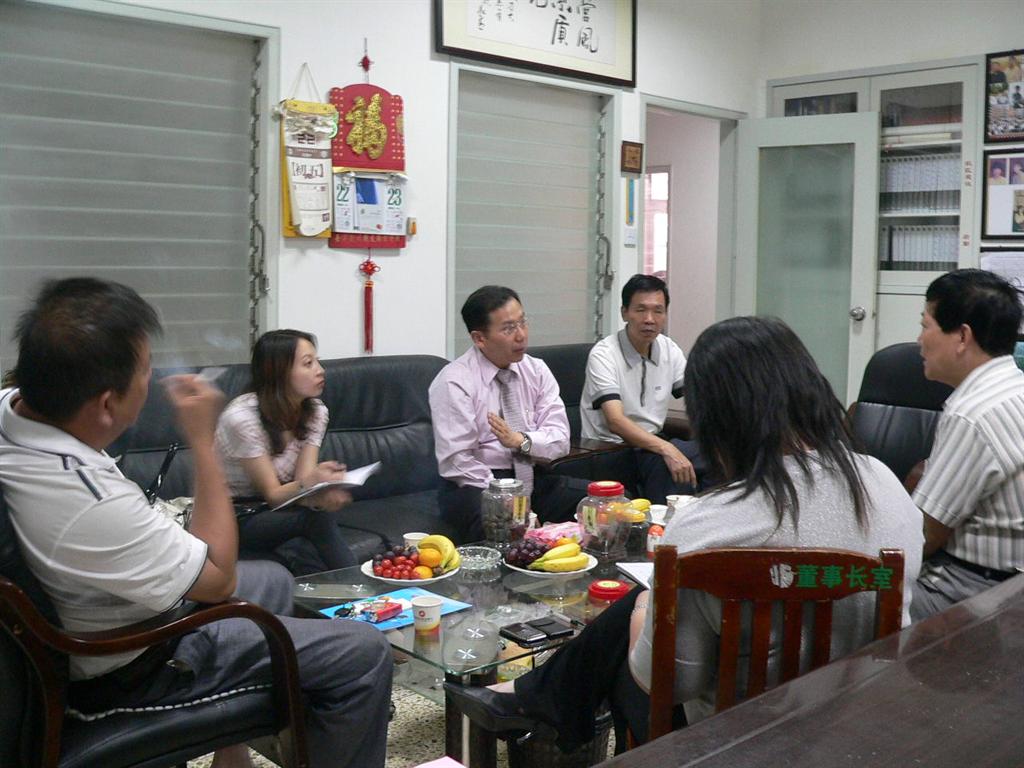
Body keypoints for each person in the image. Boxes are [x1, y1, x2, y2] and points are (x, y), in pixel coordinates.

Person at [446, 316, 923, 748]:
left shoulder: (707, 525)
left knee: (633, 627)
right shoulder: (881, 483)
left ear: (716, 418)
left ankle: (541, 704)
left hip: (732, 737)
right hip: (859, 723)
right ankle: (536, 697)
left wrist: (645, 610)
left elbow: (668, 681)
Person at [0, 278, 391, 768]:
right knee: (362, 653)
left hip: (118, 610)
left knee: (273, 579)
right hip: (135, 666)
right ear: (106, 403)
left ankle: (234, 751)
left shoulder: (14, 409)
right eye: (145, 370)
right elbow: (218, 577)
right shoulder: (89, 501)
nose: (151, 379)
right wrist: (202, 441)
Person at [911, 269, 1024, 620]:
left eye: (926, 326)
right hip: (1008, 585)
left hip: (972, 590)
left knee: (843, 601)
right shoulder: (1015, 388)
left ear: (962, 336)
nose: (919, 340)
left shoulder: (972, 413)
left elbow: (924, 535)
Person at [429, 285, 580, 542]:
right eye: (509, 329)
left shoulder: (536, 370)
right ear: (480, 338)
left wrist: (521, 440)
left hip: (531, 474)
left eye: (523, 322)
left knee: (607, 506)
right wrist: (508, 500)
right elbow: (457, 461)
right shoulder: (454, 381)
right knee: (507, 525)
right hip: (477, 485)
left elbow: (560, 440)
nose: (521, 335)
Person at [215, 329, 356, 572]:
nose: (320, 370)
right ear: (278, 371)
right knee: (316, 519)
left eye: (318, 361)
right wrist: (311, 485)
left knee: (319, 517)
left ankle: (356, 588)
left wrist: (320, 492)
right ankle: (362, 588)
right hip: (235, 515)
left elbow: (302, 482)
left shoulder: (316, 411)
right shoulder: (242, 418)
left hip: (280, 509)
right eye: (308, 364)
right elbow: (273, 494)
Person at [580, 273, 709, 504]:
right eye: (640, 310)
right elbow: (615, 421)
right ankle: (667, 525)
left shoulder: (668, 349)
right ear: (624, 313)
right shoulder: (604, 354)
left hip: (651, 443)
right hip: (612, 448)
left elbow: (699, 398)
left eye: (658, 311)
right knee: (666, 463)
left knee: (717, 455)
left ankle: (707, 520)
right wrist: (667, 449)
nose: (649, 319)